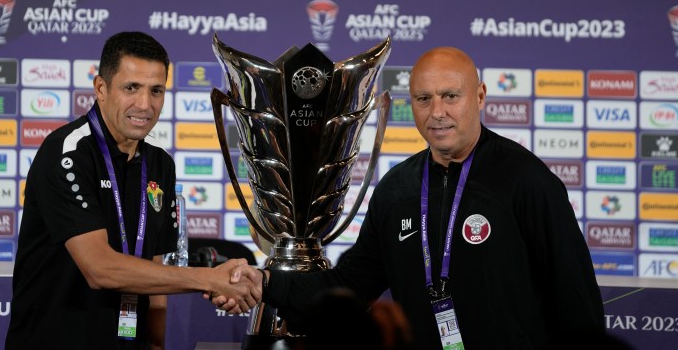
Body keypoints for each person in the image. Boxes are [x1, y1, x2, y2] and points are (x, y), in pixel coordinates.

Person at [224, 46, 605, 349]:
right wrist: (266, 282)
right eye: (423, 99)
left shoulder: (526, 180)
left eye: (450, 96)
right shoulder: (398, 188)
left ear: (480, 95)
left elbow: (576, 303)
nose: (437, 112)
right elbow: (350, 286)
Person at [5, 31, 258, 350]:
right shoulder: (66, 153)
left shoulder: (160, 164)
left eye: (156, 91)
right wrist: (209, 279)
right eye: (131, 88)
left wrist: (155, 345)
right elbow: (99, 269)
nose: (145, 104)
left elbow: (155, 276)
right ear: (101, 88)